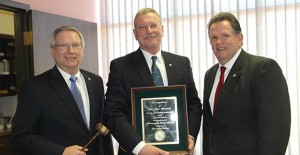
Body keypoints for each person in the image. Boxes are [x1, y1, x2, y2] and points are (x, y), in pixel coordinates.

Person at [104, 8, 202, 155]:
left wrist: (189, 137)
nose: (149, 31)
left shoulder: (181, 63)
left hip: (179, 151)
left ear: (162, 29)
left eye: (153, 25)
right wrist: (140, 147)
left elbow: (193, 103)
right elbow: (113, 113)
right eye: (142, 27)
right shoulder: (121, 66)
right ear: (135, 33)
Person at [11, 26, 113, 155]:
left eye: (76, 45)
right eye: (63, 45)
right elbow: (20, 137)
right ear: (52, 50)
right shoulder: (34, 87)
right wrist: (61, 151)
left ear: (82, 50)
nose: (71, 51)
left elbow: (102, 129)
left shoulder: (95, 82)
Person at [202, 12, 291, 155]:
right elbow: (210, 128)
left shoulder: (263, 69)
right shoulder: (210, 75)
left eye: (225, 35)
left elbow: (275, 131)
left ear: (240, 38)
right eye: (214, 37)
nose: (219, 42)